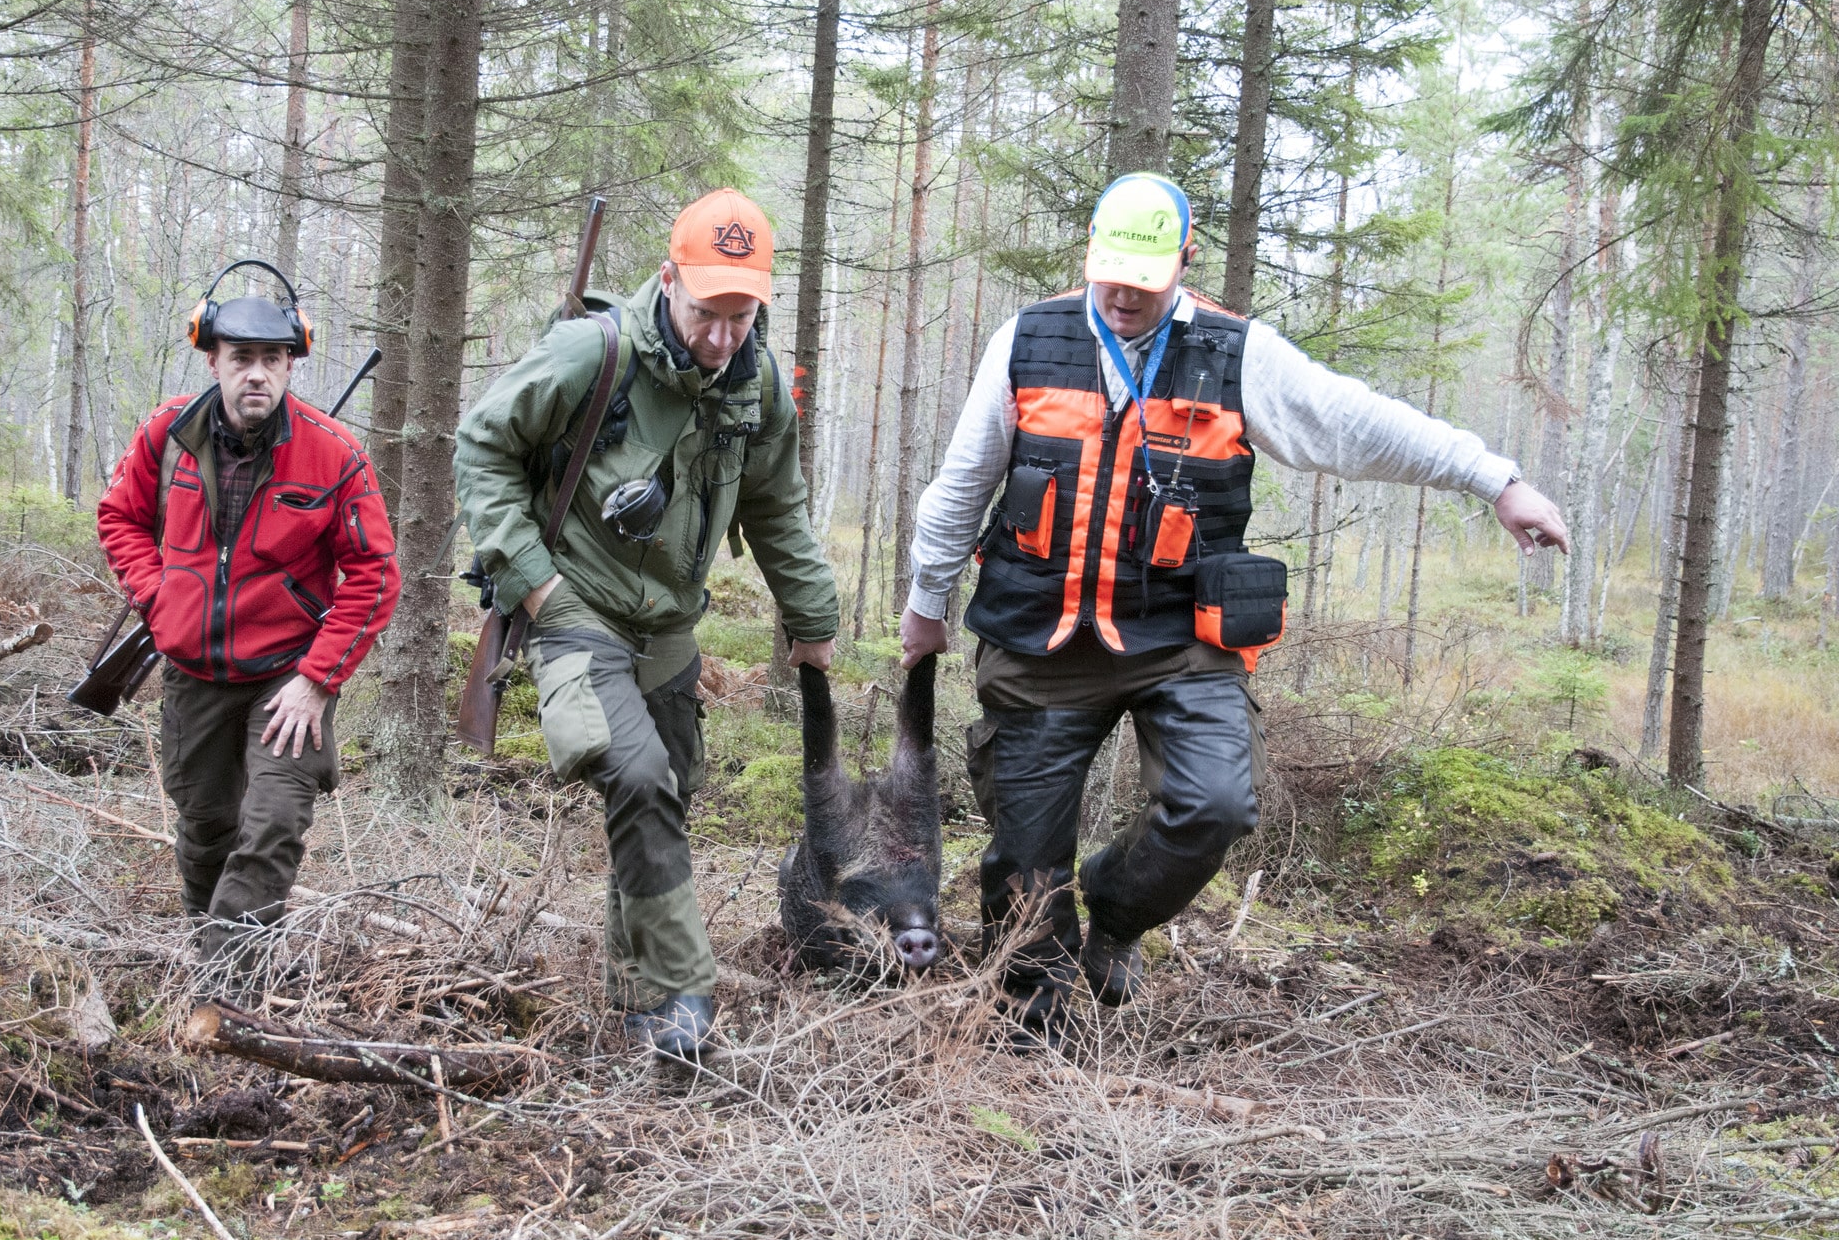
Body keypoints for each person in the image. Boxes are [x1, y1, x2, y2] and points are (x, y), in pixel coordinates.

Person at [900, 174, 1569, 1049]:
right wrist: (926, 602)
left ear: (1184, 262)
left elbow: (1356, 422)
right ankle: (1031, 1030)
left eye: (1146, 276)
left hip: (1180, 639)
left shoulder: (1235, 352)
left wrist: (1496, 480)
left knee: (1212, 804)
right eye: (1111, 273)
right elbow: (963, 483)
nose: (1125, 293)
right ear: (1090, 257)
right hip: (1041, 637)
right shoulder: (1028, 341)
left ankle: (1115, 911)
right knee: (1023, 872)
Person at [455, 189, 838, 1060]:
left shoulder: (759, 387)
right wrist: (535, 587)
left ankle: (633, 1000)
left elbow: (778, 509)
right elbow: (481, 444)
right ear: (669, 280)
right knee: (635, 773)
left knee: (670, 791)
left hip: (670, 627)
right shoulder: (594, 352)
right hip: (575, 608)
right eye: (707, 313)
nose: (722, 336)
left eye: (743, 317)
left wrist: (812, 616)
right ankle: (678, 992)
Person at [98, 265, 401, 989]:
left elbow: (375, 575)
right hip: (194, 674)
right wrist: (157, 594)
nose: (257, 375)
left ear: (291, 362)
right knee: (205, 827)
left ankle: (225, 981)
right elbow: (119, 518)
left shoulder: (334, 454)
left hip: (287, 679)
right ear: (214, 361)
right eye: (242, 359)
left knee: (270, 829)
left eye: (272, 360)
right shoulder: (167, 436)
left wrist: (317, 680)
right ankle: (211, 948)